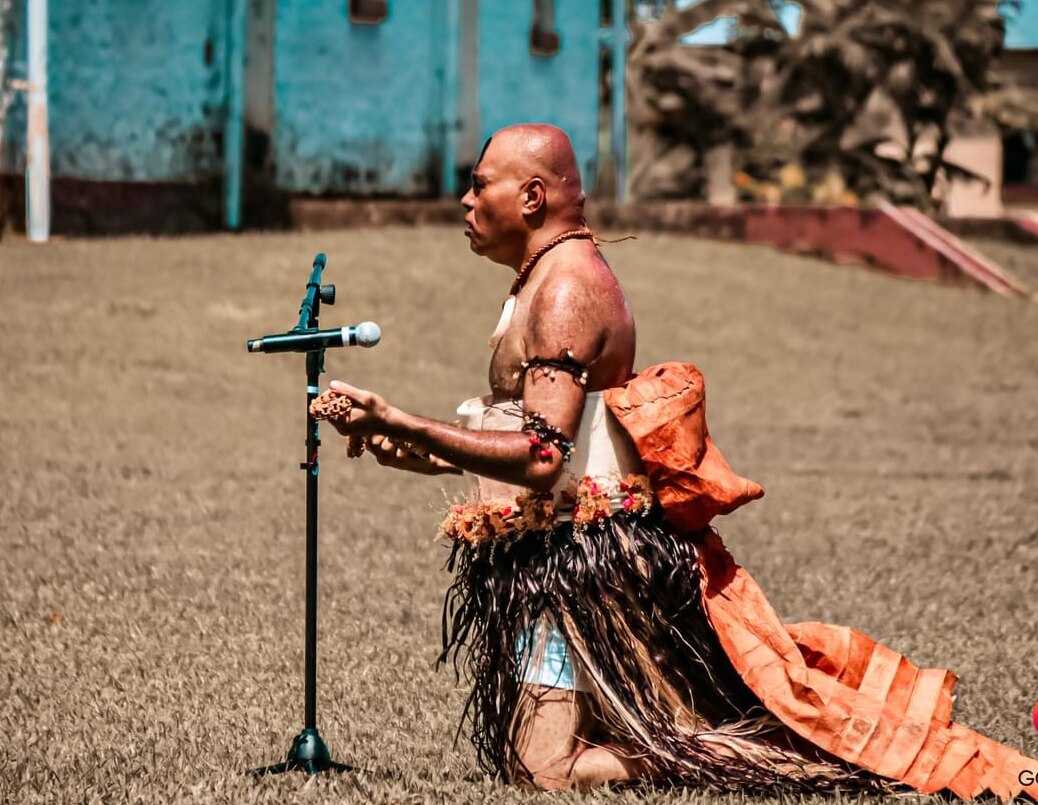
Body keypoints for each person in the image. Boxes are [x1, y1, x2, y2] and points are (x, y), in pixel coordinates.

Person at [312, 124, 1037, 799]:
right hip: (559, 554)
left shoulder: (564, 290)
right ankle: (686, 733)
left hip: (582, 570)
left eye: (480, 184)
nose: (466, 200)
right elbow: (554, 438)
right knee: (526, 758)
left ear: (532, 197)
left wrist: (402, 417)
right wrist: (413, 447)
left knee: (545, 767)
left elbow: (540, 455)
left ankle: (740, 750)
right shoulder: (542, 278)